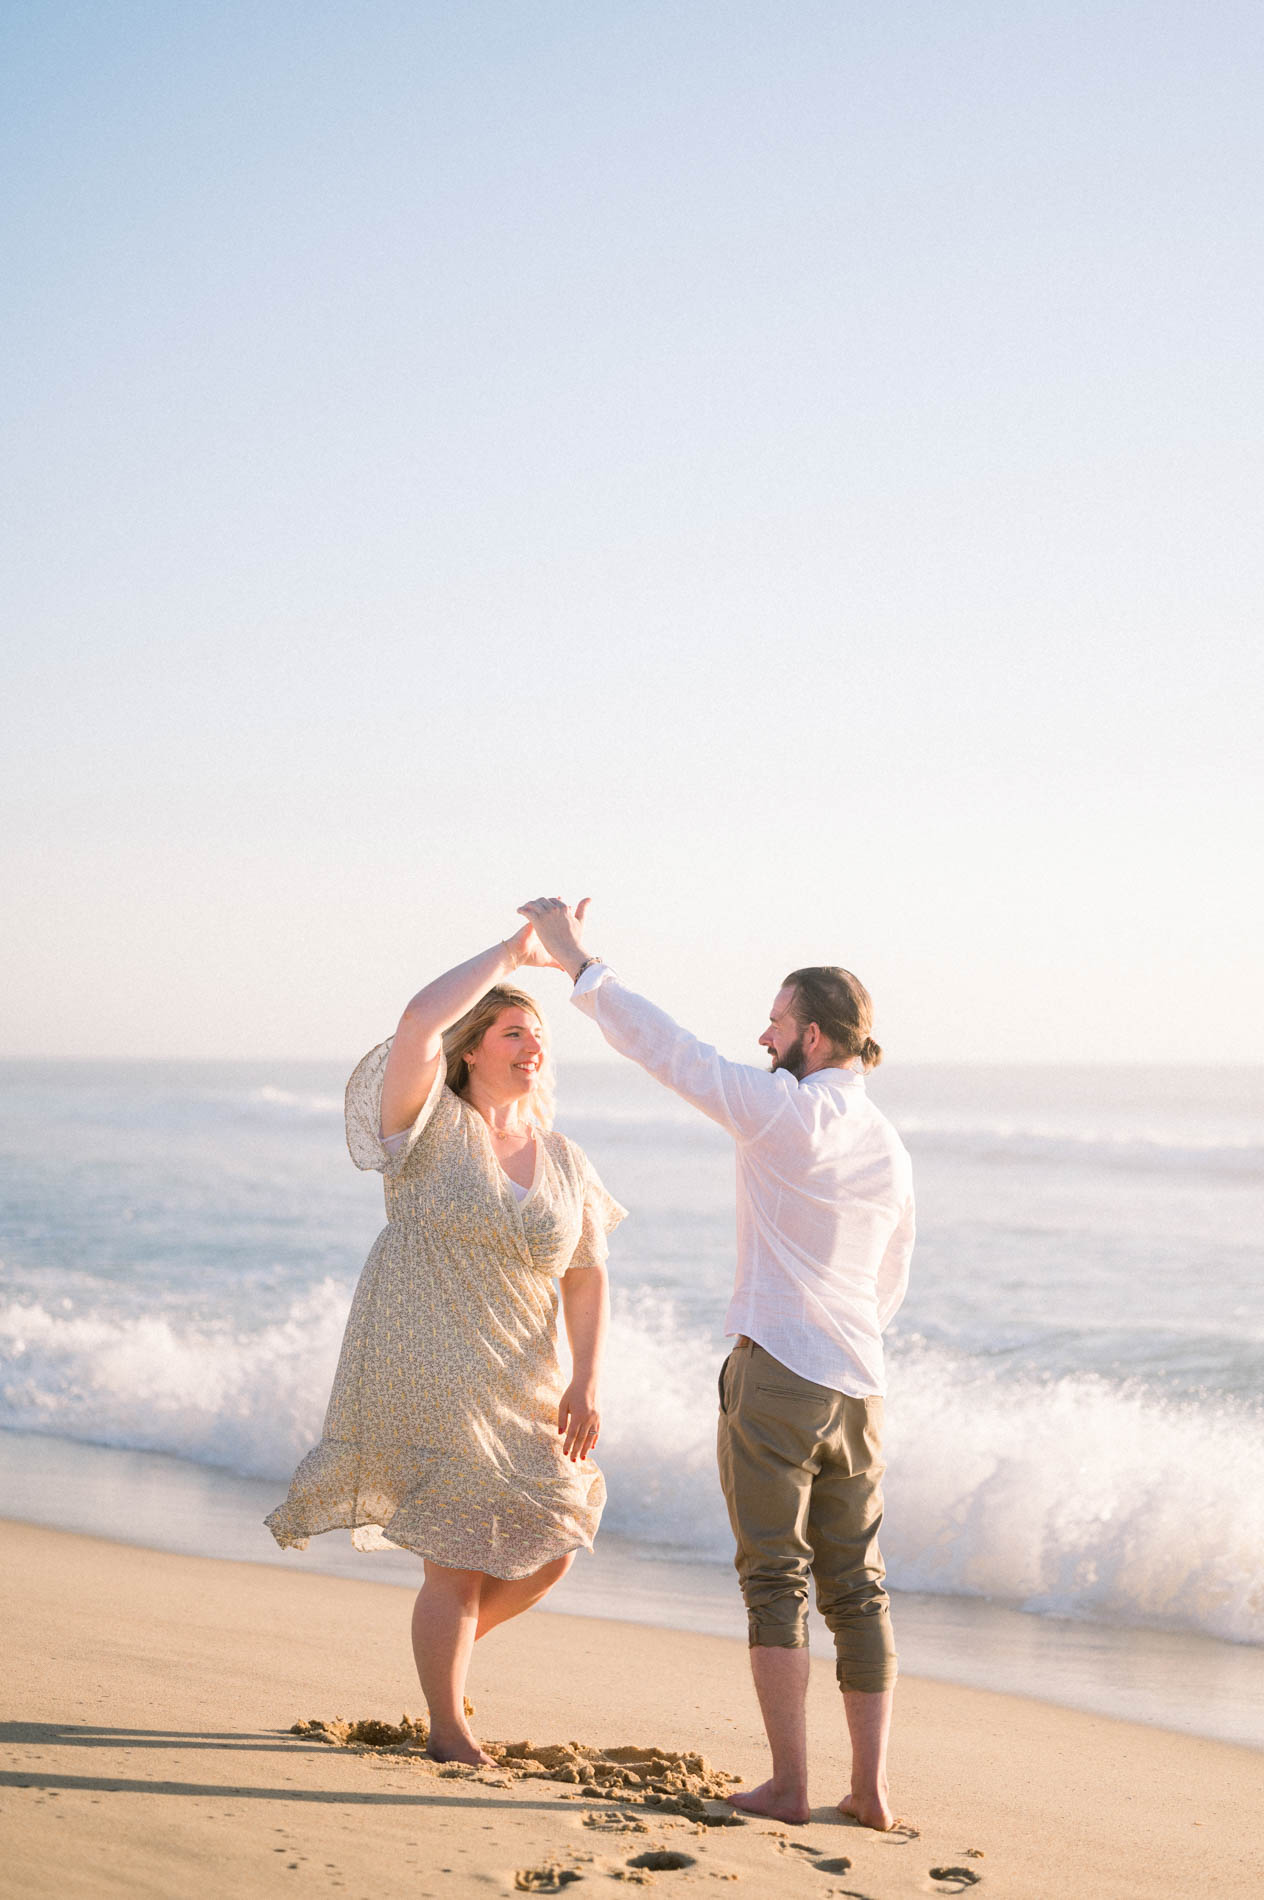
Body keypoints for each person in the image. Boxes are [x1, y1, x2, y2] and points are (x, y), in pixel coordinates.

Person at [518, 897, 914, 1830]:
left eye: (776, 1023)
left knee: (774, 1579)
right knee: (859, 1586)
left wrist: (580, 962)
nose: (763, 1036)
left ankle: (789, 1785)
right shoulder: (889, 1145)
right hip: (861, 1385)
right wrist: (844, 1341)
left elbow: (671, 1052)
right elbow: (891, 1275)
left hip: (778, 1371)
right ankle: (869, 1791)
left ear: (811, 1038)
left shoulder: (783, 1113)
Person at [265, 923, 626, 1765]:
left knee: (557, 1534)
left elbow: (586, 1276)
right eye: (513, 1031)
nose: (532, 1044)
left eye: (539, 1034)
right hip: (425, 1358)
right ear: (471, 1052)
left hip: (522, 1374)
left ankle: (445, 1660)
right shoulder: (425, 1125)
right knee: (456, 1563)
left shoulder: (566, 1159)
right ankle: (447, 1725)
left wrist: (587, 1383)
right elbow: (419, 1021)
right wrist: (514, 952)